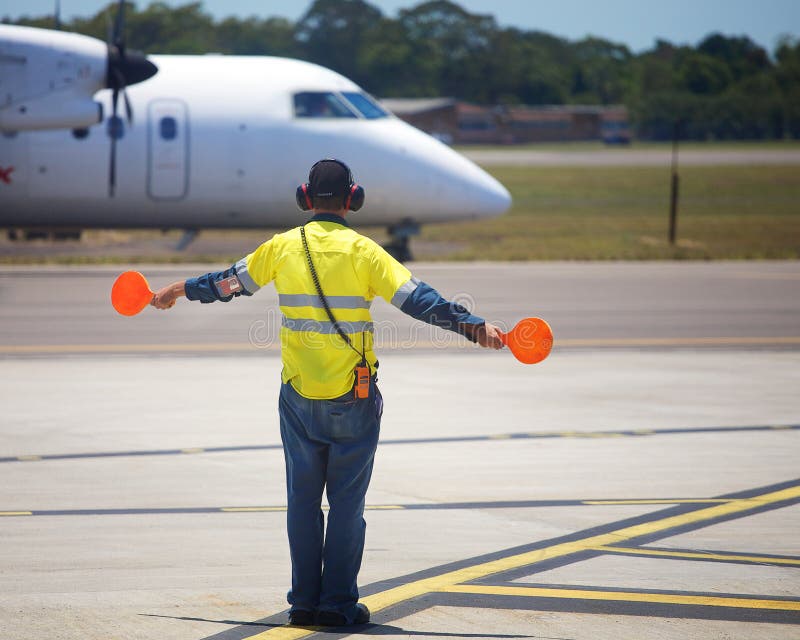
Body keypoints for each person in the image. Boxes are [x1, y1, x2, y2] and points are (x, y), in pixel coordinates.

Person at [151, 158, 504, 627]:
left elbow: (227, 283)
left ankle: (302, 604)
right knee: (346, 505)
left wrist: (179, 289)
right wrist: (474, 327)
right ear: (352, 200)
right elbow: (421, 301)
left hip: (297, 395)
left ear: (306, 198)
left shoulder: (281, 248)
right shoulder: (364, 253)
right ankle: (337, 605)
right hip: (352, 399)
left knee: (302, 502)